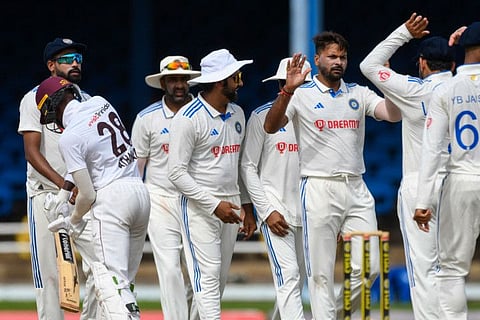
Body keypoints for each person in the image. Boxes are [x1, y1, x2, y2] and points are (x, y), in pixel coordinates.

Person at [263, 32, 401, 319]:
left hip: (356, 188)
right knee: (320, 274)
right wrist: (287, 90)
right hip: (318, 186)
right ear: (317, 60)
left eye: (343, 57)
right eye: (332, 56)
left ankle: (336, 315)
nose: (338, 62)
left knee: (370, 266)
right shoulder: (301, 94)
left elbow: (393, 114)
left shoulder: (358, 93)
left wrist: (387, 79)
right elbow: (271, 126)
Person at [359, 13, 456, 319]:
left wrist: (403, 33)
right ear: (452, 65)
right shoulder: (465, 89)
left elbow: (368, 66)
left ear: (423, 63)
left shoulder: (413, 89)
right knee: (453, 267)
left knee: (423, 268)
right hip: (458, 184)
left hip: (420, 184)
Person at [37, 76, 151, 319]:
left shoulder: (68, 138)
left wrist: (74, 219)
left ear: (52, 108)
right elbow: (93, 153)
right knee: (126, 284)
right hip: (139, 193)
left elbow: (87, 194)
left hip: (112, 201)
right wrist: (64, 192)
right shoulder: (101, 102)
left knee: (110, 283)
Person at [167, 48, 257, 319]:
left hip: (231, 206)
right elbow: (176, 173)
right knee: (206, 279)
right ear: (221, 81)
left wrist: (247, 207)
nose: (240, 82)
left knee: (216, 282)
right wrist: (214, 204)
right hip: (199, 208)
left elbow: (240, 166)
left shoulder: (238, 113)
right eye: (236, 76)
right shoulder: (188, 118)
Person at [17, 38, 98, 320]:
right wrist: (65, 184)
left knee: (96, 269)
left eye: (78, 57)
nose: (75, 62)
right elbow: (31, 151)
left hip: (83, 197)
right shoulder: (33, 98)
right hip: (46, 195)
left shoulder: (87, 101)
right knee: (49, 277)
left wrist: (82, 186)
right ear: (51, 66)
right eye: (67, 58)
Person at [414, 21, 480, 319]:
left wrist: (423, 201)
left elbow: (433, 149)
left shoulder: (447, 88)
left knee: (452, 270)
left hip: (462, 180)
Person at [240, 57, 312, 320]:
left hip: (309, 212)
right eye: (287, 83)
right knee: (289, 277)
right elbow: (247, 166)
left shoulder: (316, 117)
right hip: (276, 211)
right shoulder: (260, 117)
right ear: (280, 85)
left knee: (298, 282)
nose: (293, 89)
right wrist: (266, 210)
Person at [130, 55, 200, 320]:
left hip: (197, 200)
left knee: (200, 273)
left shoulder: (202, 113)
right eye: (173, 79)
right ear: (163, 83)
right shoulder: (146, 119)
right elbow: (137, 168)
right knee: (169, 269)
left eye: (183, 79)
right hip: (159, 199)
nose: (179, 85)